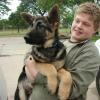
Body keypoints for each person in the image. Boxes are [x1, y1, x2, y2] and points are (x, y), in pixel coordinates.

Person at [25, 2, 100, 100]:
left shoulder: (89, 52)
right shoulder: (60, 41)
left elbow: (73, 90)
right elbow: (29, 56)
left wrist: (35, 74)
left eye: (86, 24)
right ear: (73, 21)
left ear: (95, 29)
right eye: (77, 21)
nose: (79, 26)